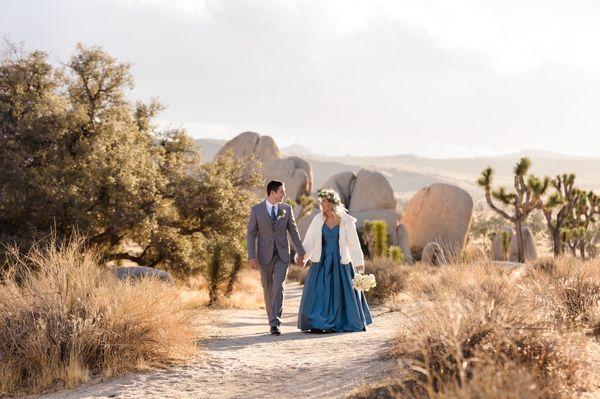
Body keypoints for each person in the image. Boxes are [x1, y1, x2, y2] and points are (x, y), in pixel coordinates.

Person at [296, 188, 372, 333]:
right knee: (319, 291)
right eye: (321, 202)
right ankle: (318, 323)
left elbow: (354, 244)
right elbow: (309, 241)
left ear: (331, 202)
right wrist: (302, 257)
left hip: (340, 262)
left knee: (341, 293)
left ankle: (340, 322)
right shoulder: (318, 219)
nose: (322, 204)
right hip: (322, 261)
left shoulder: (346, 221)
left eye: (324, 201)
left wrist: (358, 265)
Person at [246, 180, 305, 335]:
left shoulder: (287, 209)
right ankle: (271, 319)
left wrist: (301, 253)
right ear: (272, 192)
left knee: (278, 287)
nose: (284, 194)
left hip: (282, 255)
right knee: (268, 289)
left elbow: (293, 232)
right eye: (281, 191)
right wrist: (251, 256)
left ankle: (275, 323)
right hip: (263, 256)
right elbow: (251, 235)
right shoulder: (256, 210)